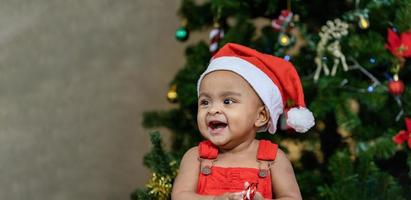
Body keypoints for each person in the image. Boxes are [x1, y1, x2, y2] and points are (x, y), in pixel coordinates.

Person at [172, 43, 315, 200]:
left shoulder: (273, 159)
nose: (213, 110)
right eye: (205, 102)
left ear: (261, 116)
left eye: (227, 101)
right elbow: (180, 196)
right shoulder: (196, 157)